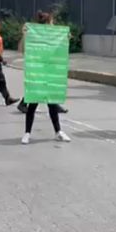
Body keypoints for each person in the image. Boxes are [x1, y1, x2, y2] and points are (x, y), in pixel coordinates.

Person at [20, 12, 71, 144]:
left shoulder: (53, 39)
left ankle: (58, 131)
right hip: (38, 74)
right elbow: (22, 49)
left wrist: (66, 39)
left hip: (50, 75)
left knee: (52, 104)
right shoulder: (34, 37)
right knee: (33, 104)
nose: (54, 26)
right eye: (52, 23)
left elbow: (61, 51)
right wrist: (24, 35)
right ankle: (27, 133)